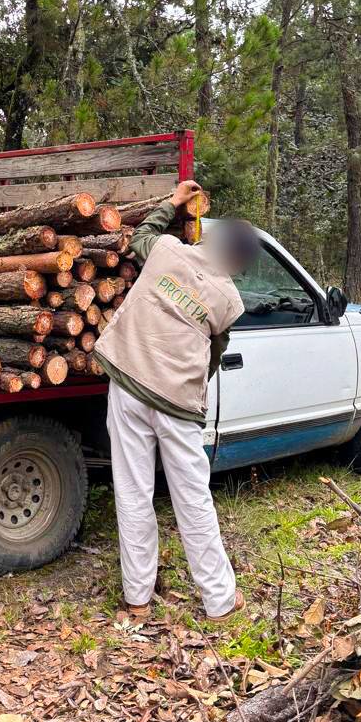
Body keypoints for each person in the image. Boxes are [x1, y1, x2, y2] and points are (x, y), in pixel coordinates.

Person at [94, 180, 258, 623]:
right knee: (192, 499)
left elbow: (141, 236)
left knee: (132, 493)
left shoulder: (167, 251)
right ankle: (220, 602)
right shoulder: (231, 302)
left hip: (127, 384)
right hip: (176, 405)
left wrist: (172, 202)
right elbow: (214, 355)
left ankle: (138, 600)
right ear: (241, 263)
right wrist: (187, 384)